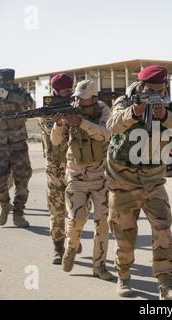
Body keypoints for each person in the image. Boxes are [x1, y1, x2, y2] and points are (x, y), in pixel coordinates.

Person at [106, 65, 172, 299]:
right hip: (123, 182)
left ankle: (166, 284)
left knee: (163, 231)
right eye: (151, 90)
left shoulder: (168, 108)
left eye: (161, 89)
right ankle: (123, 276)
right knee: (125, 236)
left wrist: (165, 116)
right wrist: (135, 112)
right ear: (142, 87)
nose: (157, 94)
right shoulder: (125, 103)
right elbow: (112, 125)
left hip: (154, 182)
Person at [50, 80, 114, 281]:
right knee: (76, 219)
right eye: (76, 97)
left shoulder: (103, 110)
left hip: (100, 176)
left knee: (102, 224)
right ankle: (70, 247)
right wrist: (60, 124)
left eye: (82, 98)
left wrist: (81, 123)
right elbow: (55, 140)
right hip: (75, 175)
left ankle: (99, 266)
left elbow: (106, 134)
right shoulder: (70, 109)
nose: (77, 100)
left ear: (94, 98)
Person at [38, 73, 74, 264]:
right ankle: (58, 249)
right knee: (56, 210)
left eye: (70, 90)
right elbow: (53, 136)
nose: (69, 93)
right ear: (56, 91)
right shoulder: (46, 112)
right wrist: (61, 120)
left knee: (76, 210)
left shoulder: (77, 106)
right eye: (65, 90)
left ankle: (72, 239)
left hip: (75, 165)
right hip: (54, 168)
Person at [0, 69, 34, 227]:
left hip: (19, 144)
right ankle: (4, 204)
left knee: (22, 180)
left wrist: (9, 95)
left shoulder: (20, 91)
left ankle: (18, 214)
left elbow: (30, 103)